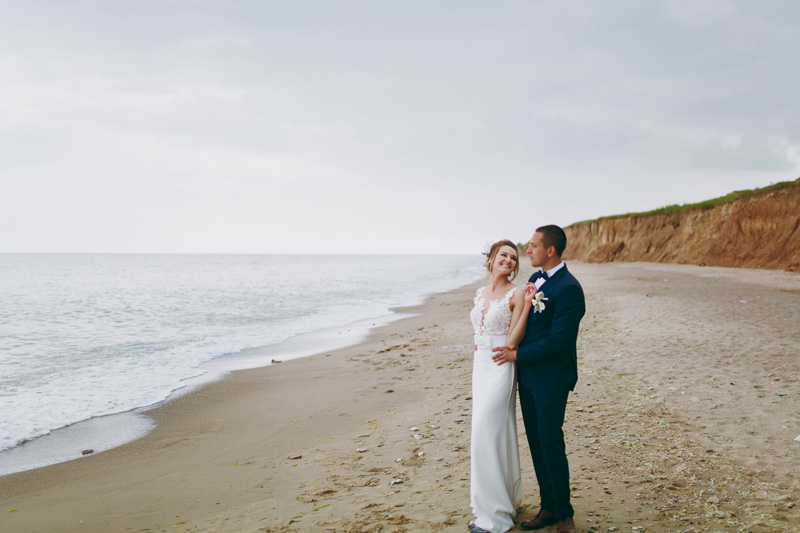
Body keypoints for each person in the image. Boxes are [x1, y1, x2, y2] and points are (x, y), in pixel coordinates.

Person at [492, 225, 586, 533]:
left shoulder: (570, 288)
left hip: (552, 378)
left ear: (550, 251)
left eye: (533, 246)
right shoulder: (534, 280)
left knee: (550, 441)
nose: (527, 250)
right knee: (535, 442)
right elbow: (525, 323)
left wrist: (516, 355)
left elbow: (559, 341)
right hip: (529, 377)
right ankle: (548, 507)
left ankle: (564, 515)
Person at [468, 239, 536, 533]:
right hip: (479, 365)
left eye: (513, 257)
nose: (509, 260)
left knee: (488, 433)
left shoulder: (517, 293)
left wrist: (528, 306)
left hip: (500, 365)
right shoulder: (480, 293)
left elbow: (512, 338)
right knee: (485, 435)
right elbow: (478, 328)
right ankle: (497, 502)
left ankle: (495, 516)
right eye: (503, 255)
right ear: (492, 258)